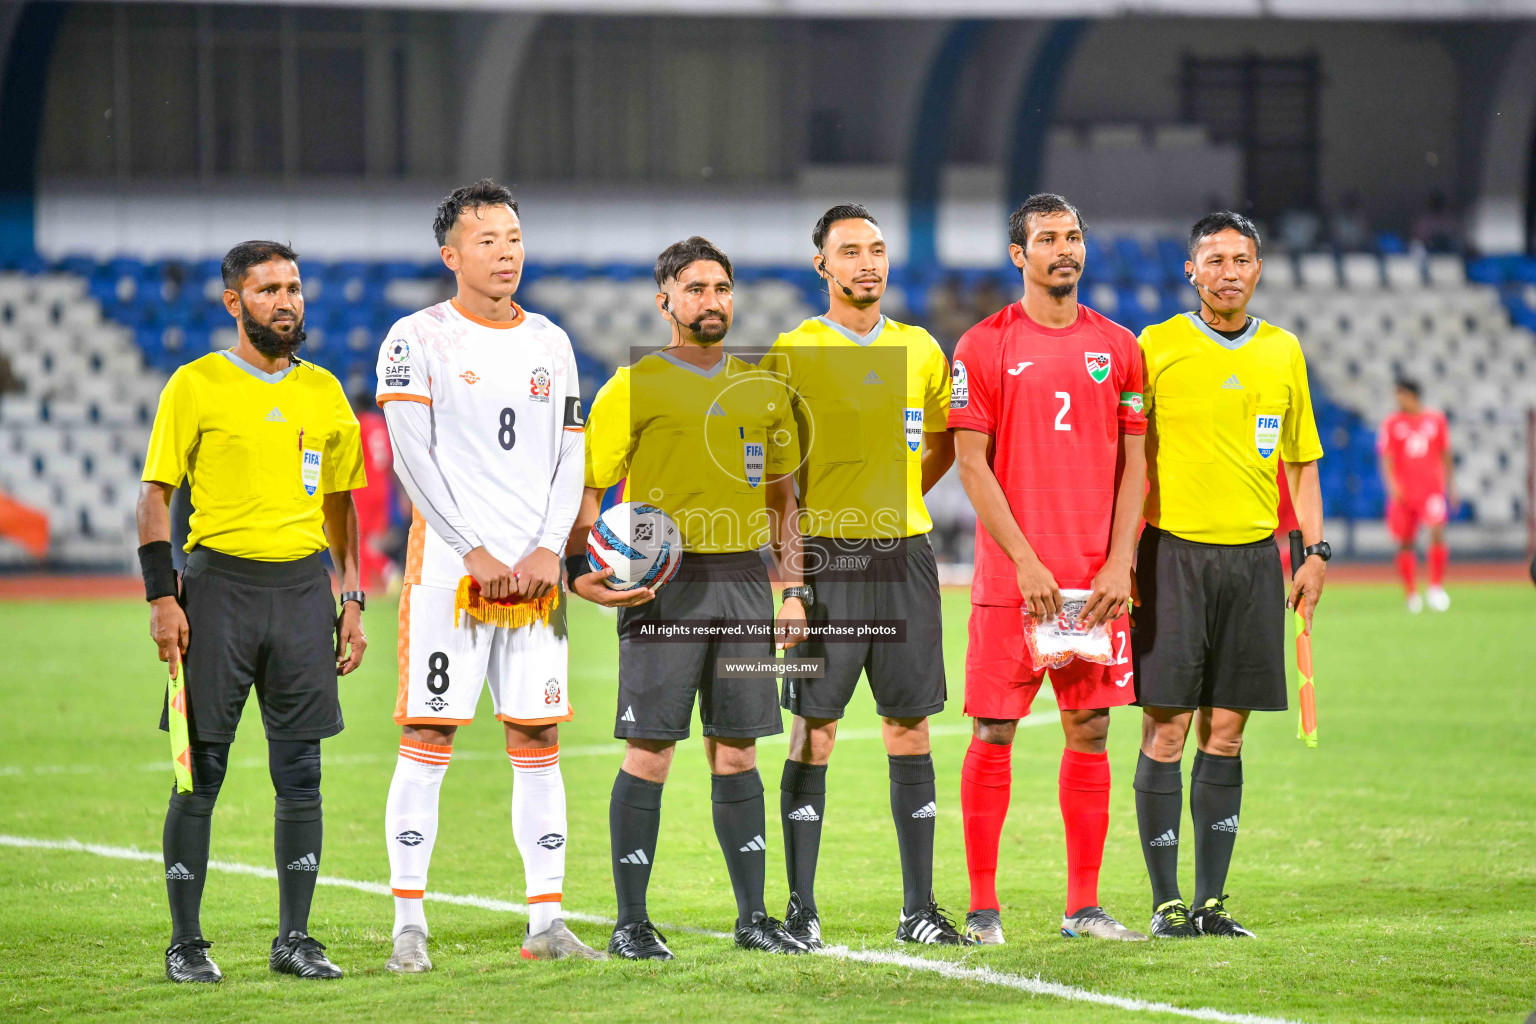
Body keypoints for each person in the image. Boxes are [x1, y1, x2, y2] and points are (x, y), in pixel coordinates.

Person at [377, 180, 600, 972]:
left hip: (534, 580)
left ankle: (547, 918)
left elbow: (571, 453)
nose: (506, 253)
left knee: (538, 734)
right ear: (451, 255)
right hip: (450, 573)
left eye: (514, 238)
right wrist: (471, 547)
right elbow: (412, 456)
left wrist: (548, 548)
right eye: (488, 241)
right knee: (429, 732)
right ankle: (410, 922)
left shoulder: (552, 341)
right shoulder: (415, 338)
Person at [572, 236, 808, 959]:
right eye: (696, 288)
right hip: (662, 585)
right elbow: (590, 491)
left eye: (722, 288)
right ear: (665, 301)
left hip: (742, 581)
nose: (712, 302)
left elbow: (783, 499)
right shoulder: (633, 385)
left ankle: (753, 919)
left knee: (738, 752)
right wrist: (585, 568)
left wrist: (792, 589)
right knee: (650, 751)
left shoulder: (763, 391)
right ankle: (631, 924)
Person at [138, 240, 368, 983]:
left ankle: (295, 940)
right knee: (199, 773)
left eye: (293, 287)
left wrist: (352, 596)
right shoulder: (195, 384)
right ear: (235, 301)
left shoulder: (326, 392)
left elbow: (340, 502)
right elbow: (155, 497)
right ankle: (186, 943)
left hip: (304, 593)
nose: (286, 300)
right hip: (219, 591)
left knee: (302, 773)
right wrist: (161, 595)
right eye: (268, 289)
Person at [949, 193, 1149, 945]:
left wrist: (1120, 562)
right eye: (1046, 239)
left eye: (1073, 237)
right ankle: (981, 909)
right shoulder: (983, 345)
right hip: (1014, 581)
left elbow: (1137, 465)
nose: (1063, 250)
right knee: (994, 731)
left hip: (1096, 582)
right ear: (1017, 255)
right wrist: (1026, 561)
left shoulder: (1120, 346)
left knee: (1090, 729)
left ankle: (1084, 906)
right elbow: (972, 466)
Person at [771, 204, 963, 948]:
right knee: (814, 732)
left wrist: (902, 492)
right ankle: (800, 909)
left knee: (909, 729)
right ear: (821, 264)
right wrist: (789, 586)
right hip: (825, 562)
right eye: (849, 251)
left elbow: (943, 440)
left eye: (877, 249)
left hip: (906, 558)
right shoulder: (792, 351)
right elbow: (778, 486)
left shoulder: (921, 350)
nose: (867, 262)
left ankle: (919, 910)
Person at [1133, 211, 1328, 939]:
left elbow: (1302, 464)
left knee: (1229, 732)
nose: (1228, 271)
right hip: (1172, 553)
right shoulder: (1155, 347)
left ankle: (1211, 903)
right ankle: (1165, 903)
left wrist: (1315, 551)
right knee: (1168, 728)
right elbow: (1127, 461)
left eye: (1241, 258)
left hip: (1255, 560)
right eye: (1213, 259)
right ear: (1191, 270)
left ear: (1258, 268)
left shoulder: (1283, 351)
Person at [1378, 378, 1454, 613]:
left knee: (1437, 533)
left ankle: (1435, 588)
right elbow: (1386, 458)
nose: (1398, 400)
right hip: (1404, 492)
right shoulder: (1392, 423)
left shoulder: (1436, 420)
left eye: (1401, 395)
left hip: (1431, 489)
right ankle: (1411, 594)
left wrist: (1451, 487)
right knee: (1405, 542)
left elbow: (1445, 455)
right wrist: (1392, 486)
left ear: (1413, 395)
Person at [350, 390, 397, 592]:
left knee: (356, 538)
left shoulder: (357, 425)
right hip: (383, 487)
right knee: (370, 541)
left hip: (364, 488)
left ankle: (383, 573)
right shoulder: (381, 424)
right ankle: (372, 582)